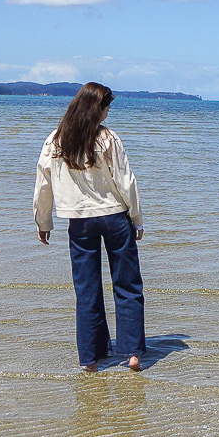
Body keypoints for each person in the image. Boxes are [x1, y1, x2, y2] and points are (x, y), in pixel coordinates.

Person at [33, 82, 146, 372]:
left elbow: (43, 183)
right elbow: (126, 181)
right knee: (127, 285)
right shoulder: (108, 139)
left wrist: (43, 220)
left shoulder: (55, 141)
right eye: (106, 108)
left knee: (86, 290)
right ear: (97, 108)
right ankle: (132, 354)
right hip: (114, 217)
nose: (108, 114)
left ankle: (91, 360)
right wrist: (136, 218)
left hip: (79, 221)